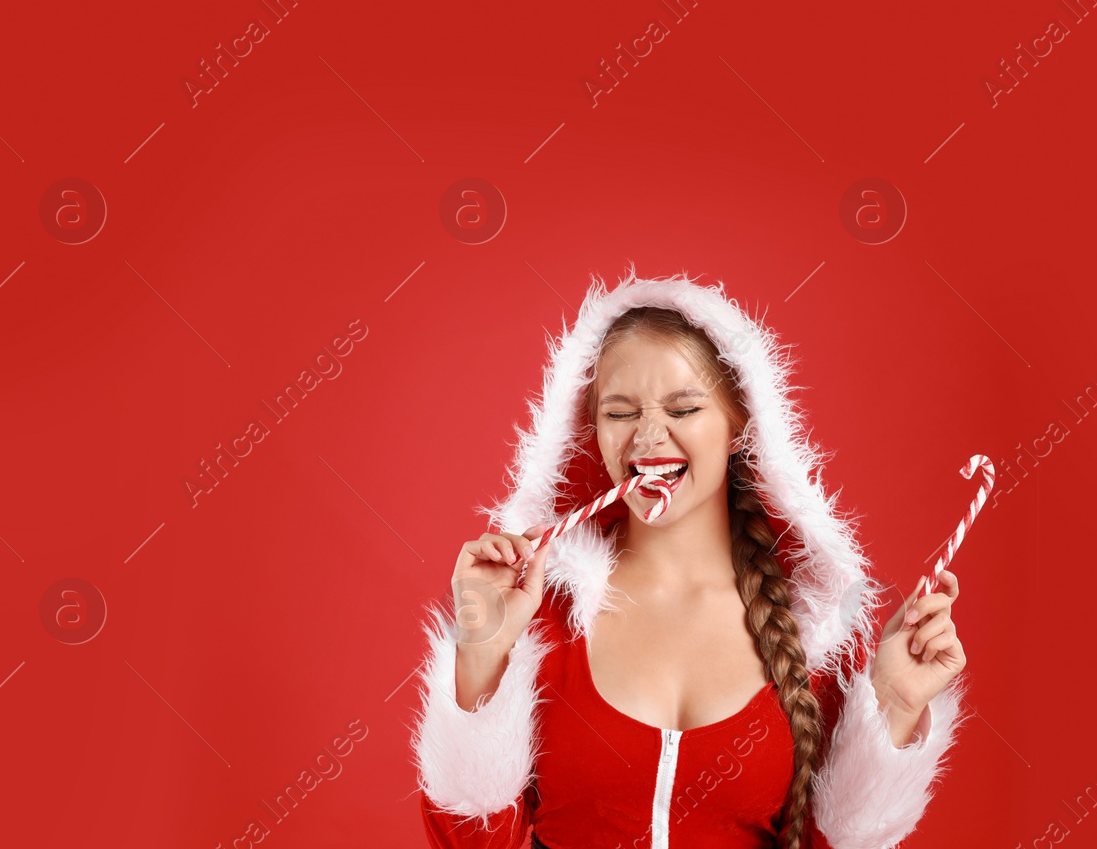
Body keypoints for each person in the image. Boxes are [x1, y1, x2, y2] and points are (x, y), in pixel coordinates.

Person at [409, 269, 972, 848]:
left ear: (738, 427)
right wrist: (481, 655)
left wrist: (897, 707)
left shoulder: (817, 630)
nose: (649, 437)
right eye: (621, 412)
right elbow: (468, 844)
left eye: (682, 410)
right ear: (591, 428)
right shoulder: (537, 612)